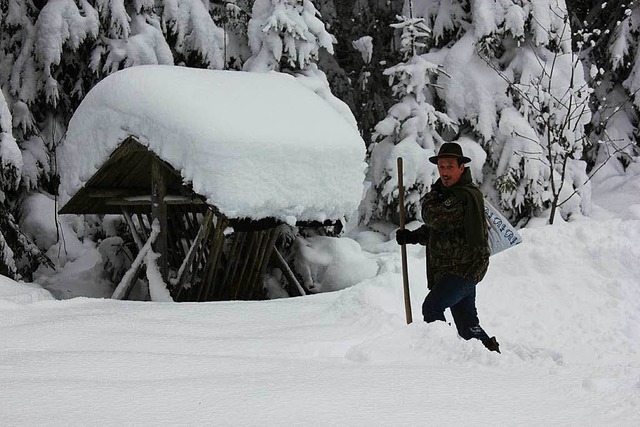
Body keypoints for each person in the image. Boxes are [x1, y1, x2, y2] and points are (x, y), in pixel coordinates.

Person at [396, 142, 500, 353]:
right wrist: (412, 237)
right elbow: (442, 231)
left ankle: (443, 355)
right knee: (467, 326)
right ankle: (491, 355)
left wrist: (432, 194)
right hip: (457, 268)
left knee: (432, 307)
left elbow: (435, 218)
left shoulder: (464, 196)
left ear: (462, 167)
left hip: (464, 268)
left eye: (450, 167)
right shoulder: (448, 194)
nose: (444, 172)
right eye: (442, 167)